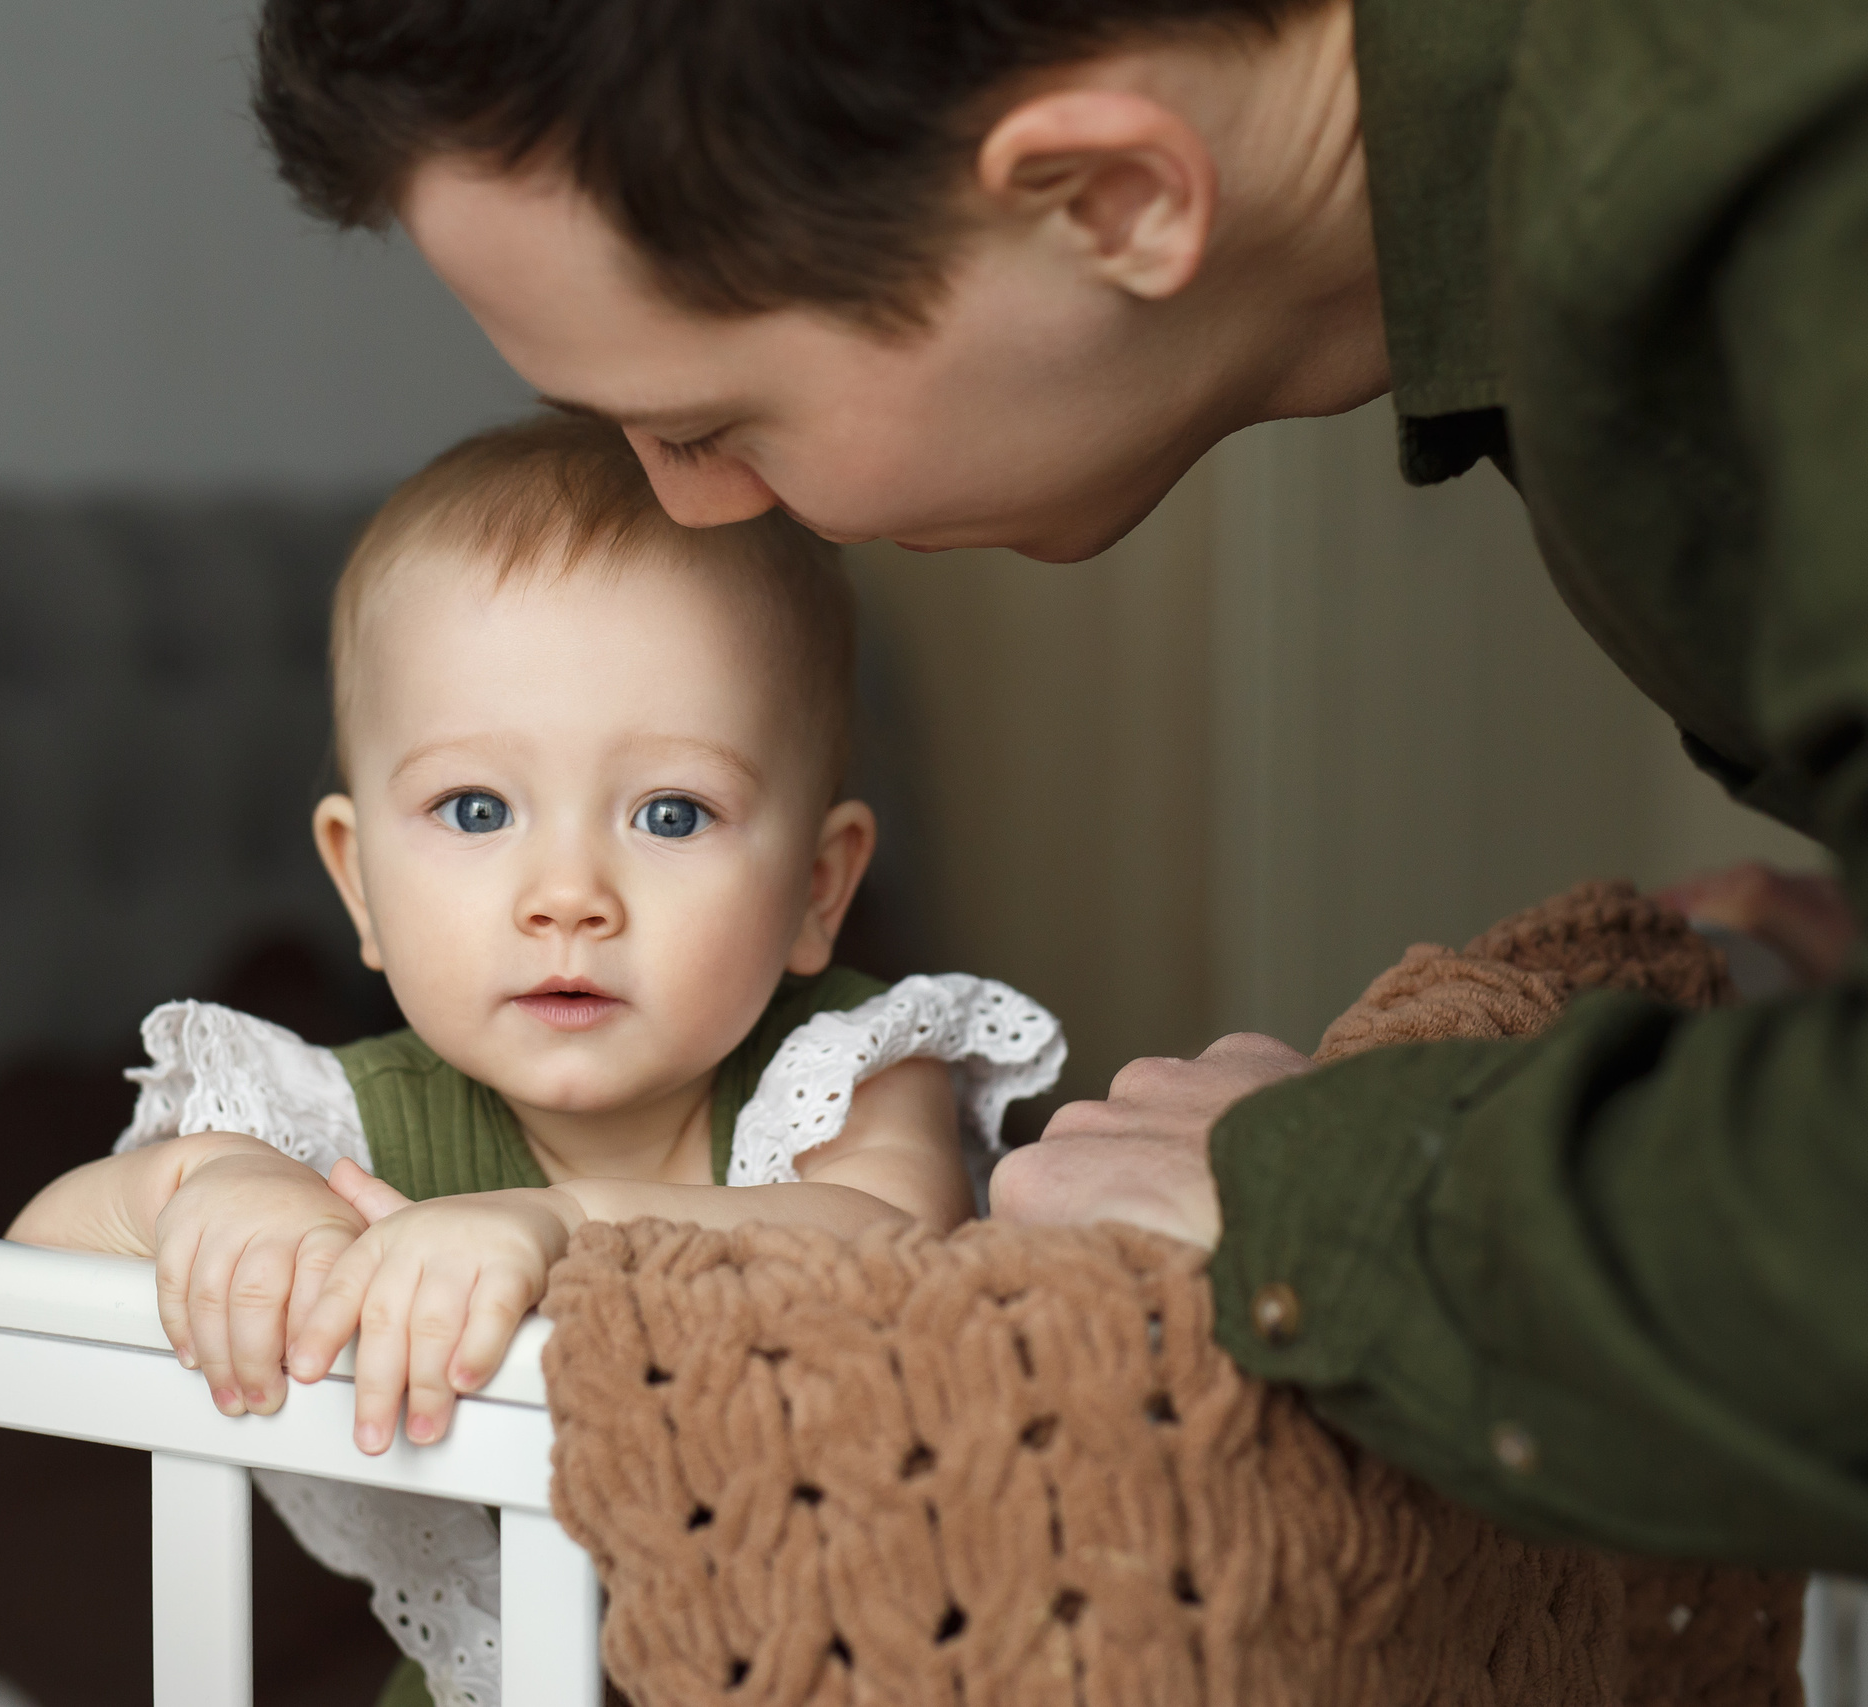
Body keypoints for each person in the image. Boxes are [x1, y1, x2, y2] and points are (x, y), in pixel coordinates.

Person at [250, 0, 1868, 1570]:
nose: (699, 509)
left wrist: (1345, 1206)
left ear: (1115, 197)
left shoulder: (1783, 199)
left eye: (710, 422)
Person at [7, 413, 1065, 1704]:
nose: (568, 893)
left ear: (817, 889)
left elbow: (891, 1258)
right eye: (476, 809)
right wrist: (206, 1194)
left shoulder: (844, 1073)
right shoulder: (341, 1123)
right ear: (360, 884)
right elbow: (28, 1284)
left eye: (670, 813)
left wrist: (566, 1229)